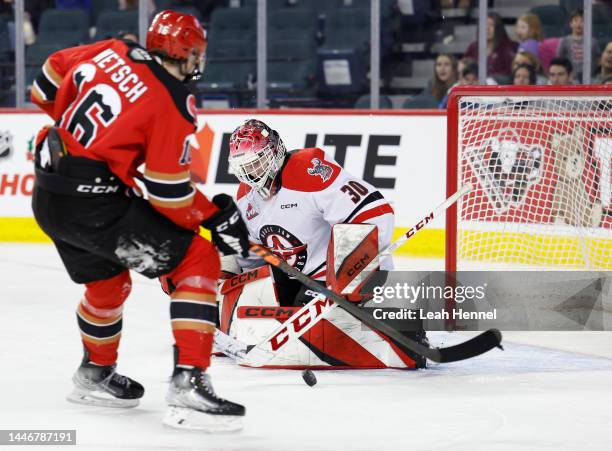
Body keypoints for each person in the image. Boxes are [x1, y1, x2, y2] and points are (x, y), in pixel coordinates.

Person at [30, 10, 248, 432]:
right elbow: (168, 193)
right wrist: (215, 217)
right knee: (197, 260)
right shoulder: (172, 101)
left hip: (50, 196)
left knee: (109, 283)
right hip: (96, 204)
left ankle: (94, 374)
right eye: (196, 53)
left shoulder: (114, 49)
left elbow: (45, 80)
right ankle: (189, 384)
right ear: (187, 53)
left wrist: (81, 139)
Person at [220, 119, 427, 368]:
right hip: (299, 281)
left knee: (307, 313)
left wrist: (348, 272)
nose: (254, 170)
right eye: (247, 166)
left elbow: (374, 211)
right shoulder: (246, 198)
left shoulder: (308, 169)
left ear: (274, 149)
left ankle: (401, 330)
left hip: (348, 281)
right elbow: (250, 256)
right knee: (244, 285)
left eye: (258, 160)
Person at [465, 12, 517, 77]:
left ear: (498, 28)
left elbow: (510, 74)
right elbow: (465, 70)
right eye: (485, 25)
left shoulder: (507, 47)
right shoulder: (472, 47)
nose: (487, 28)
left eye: (492, 25)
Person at [556, 8, 600, 83]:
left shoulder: (593, 41)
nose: (579, 24)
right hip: (570, 79)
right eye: (576, 20)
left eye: (582, 21)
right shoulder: (564, 41)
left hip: (590, 78)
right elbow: (559, 60)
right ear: (570, 23)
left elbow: (598, 59)